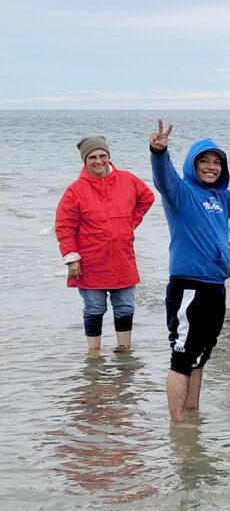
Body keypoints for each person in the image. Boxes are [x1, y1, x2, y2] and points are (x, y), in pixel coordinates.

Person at [148, 120, 230, 423]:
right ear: (193, 165)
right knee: (181, 358)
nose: (211, 167)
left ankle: (193, 417)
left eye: (216, 162)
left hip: (215, 287)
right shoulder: (181, 192)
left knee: (201, 355)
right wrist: (158, 152)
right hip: (189, 286)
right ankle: (178, 429)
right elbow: (163, 178)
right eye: (204, 161)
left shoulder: (219, 198)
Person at [56, 135, 155, 355]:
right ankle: (94, 356)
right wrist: (71, 257)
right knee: (94, 308)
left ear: (109, 156)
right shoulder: (75, 190)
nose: (98, 161)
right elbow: (64, 226)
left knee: (126, 307)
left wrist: (129, 224)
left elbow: (147, 198)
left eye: (102, 155)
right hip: (90, 261)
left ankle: (124, 351)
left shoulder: (128, 179)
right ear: (85, 161)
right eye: (92, 157)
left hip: (122, 258)